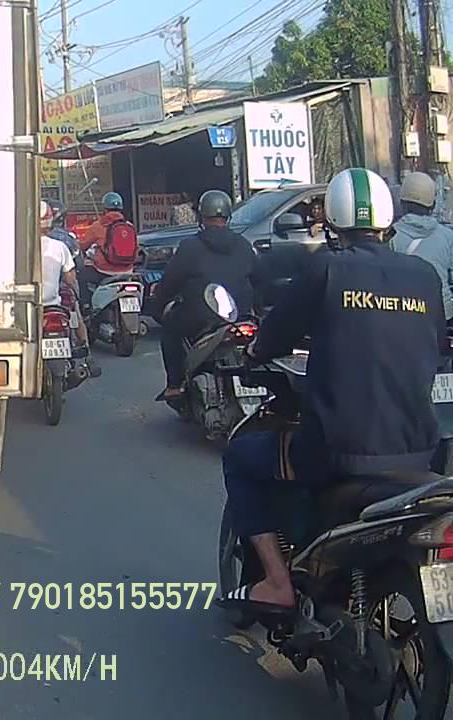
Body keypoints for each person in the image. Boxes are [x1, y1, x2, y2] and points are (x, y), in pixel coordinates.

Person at [219, 168, 446, 615]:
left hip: (336, 452)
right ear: (389, 220)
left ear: (332, 220)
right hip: (419, 451)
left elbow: (275, 336)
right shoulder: (424, 275)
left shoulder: (325, 268)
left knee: (241, 458)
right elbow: (433, 344)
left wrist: (253, 352)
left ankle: (278, 583)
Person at [145, 190, 257, 401]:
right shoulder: (244, 244)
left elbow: (170, 281)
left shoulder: (190, 246)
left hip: (202, 318)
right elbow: (261, 281)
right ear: (228, 217)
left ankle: (174, 385)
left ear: (201, 217)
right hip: (240, 316)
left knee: (170, 328)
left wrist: (159, 302)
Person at [38, 202, 99, 376]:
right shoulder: (62, 244)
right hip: (54, 303)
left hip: (30, 305)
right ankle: (87, 354)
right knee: (76, 315)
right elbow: (71, 278)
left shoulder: (19, 246)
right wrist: (78, 297)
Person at [391, 171, 453, 320]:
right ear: (433, 205)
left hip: (405, 313)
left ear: (402, 203)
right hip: (442, 313)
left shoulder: (390, 236)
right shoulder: (448, 236)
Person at [77, 192, 140, 310]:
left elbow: (82, 246)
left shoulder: (97, 226)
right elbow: (136, 250)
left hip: (104, 271)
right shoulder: (129, 226)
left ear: (104, 209)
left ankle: (86, 306)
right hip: (128, 271)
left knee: (81, 274)